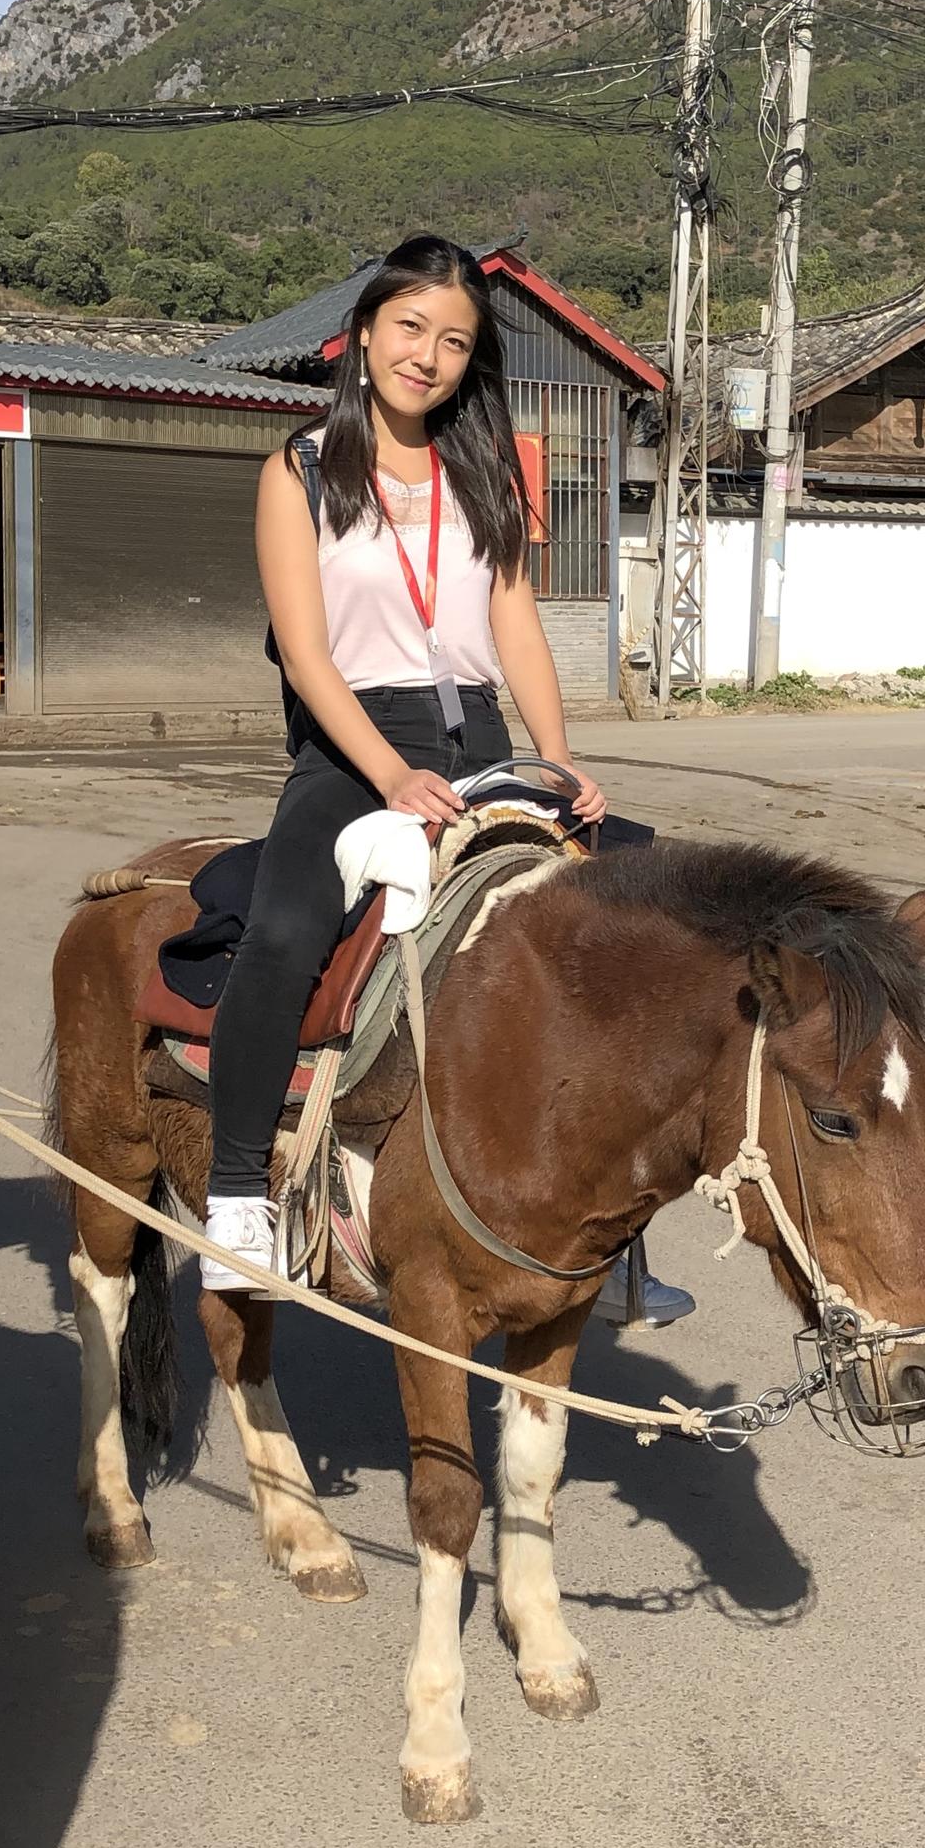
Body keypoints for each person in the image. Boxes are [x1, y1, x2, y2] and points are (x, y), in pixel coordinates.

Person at [202, 235, 610, 1288]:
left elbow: (515, 626)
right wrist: (385, 775)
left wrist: (558, 768)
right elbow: (302, 649)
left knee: (616, 933)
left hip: (480, 742)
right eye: (410, 328)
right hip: (353, 747)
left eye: (454, 342)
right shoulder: (297, 470)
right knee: (288, 927)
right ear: (367, 331)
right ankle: (238, 1190)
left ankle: (609, 1234)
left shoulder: (487, 472)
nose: (426, 355)